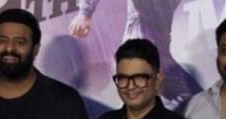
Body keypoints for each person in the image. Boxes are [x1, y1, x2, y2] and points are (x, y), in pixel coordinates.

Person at [70, 0, 199, 108]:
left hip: (156, 50)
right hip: (141, 47)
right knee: (195, 99)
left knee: (194, 99)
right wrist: (85, 13)